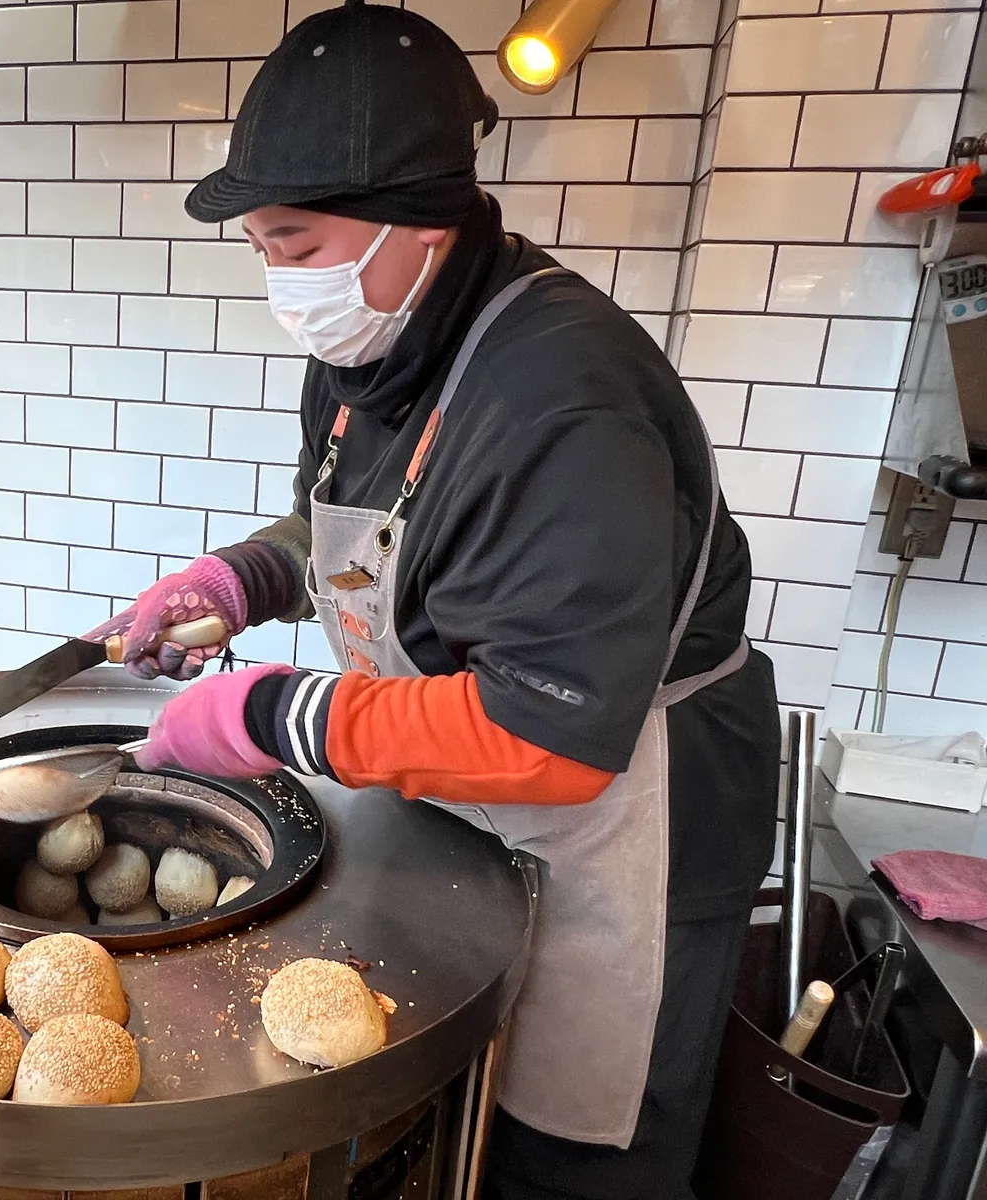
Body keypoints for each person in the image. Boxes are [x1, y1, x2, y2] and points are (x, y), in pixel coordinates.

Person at [89, 3, 782, 1198]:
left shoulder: (561, 398)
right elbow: (360, 536)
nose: (280, 281)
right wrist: (238, 580)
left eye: (294, 243)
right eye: (260, 249)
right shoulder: (373, 349)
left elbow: (548, 735)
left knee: (565, 1158)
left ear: (417, 218)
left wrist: (268, 716)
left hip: (623, 825)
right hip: (468, 793)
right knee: (452, 1114)